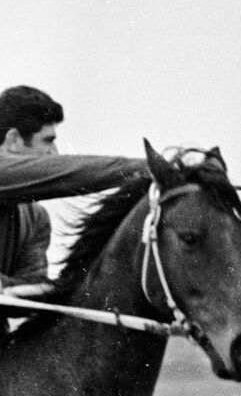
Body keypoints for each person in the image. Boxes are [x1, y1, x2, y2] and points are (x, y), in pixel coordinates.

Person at [1, 86, 146, 306]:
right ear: (13, 140)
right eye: (48, 141)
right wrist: (152, 167)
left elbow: (31, 283)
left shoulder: (36, 217)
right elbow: (67, 174)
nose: (55, 153)